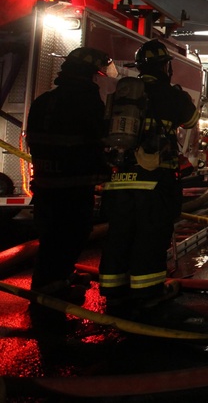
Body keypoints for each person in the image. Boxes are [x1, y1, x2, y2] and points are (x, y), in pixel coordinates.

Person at [99, 39, 199, 313]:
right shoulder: (171, 94)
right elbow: (191, 120)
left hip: (119, 179)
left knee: (119, 234)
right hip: (155, 179)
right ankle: (148, 292)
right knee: (150, 234)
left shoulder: (125, 92)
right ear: (165, 66)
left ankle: (114, 291)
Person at [26, 47, 116, 318]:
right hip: (73, 183)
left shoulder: (45, 100)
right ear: (88, 74)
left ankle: (51, 283)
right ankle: (54, 292)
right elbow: (101, 137)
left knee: (50, 236)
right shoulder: (87, 101)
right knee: (71, 235)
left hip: (44, 183)